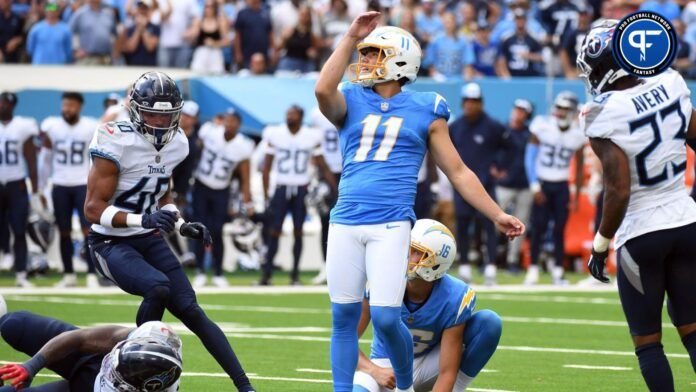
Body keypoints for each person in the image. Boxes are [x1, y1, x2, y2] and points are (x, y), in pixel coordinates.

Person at [314, 13, 524, 392]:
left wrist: (496, 214)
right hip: (345, 218)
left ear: (399, 61)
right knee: (343, 318)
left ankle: (407, 387)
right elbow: (321, 90)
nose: (366, 62)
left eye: (376, 54)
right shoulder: (351, 98)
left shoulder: (427, 106)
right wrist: (349, 36)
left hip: (392, 222)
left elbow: (458, 171)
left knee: (386, 316)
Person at [83, 71, 255, 392]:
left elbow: (163, 193)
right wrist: (142, 221)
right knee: (158, 287)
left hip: (146, 237)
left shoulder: (178, 144)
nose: (160, 123)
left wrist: (180, 223)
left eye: (167, 116)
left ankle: (245, 386)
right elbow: (93, 209)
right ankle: (127, 368)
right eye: (152, 114)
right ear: (135, 110)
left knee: (191, 309)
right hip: (108, 241)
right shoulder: (114, 138)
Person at [580, 20, 696, 392]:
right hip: (686, 220)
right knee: (693, 330)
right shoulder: (673, 82)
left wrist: (600, 244)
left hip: (641, 232)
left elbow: (618, 188)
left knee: (648, 344)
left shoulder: (601, 113)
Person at [353, 219, 501, 392]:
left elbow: (447, 372)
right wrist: (374, 370)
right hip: (386, 366)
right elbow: (345, 338)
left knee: (489, 323)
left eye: (416, 251)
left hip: (429, 365)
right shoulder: (380, 278)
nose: (406, 255)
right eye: (407, 247)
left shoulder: (454, 296)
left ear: (436, 263)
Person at [0, 309, 182, 391]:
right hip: (90, 358)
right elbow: (81, 338)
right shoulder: (152, 333)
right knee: (14, 324)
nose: (109, 371)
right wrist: (31, 367)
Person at [259, 105, 336, 286]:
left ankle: (294, 275)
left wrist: (334, 186)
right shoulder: (275, 133)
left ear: (300, 117)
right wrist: (266, 194)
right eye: (288, 114)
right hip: (281, 186)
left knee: (298, 232)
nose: (289, 117)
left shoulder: (311, 135)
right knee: (275, 231)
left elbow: (322, 164)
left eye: (293, 114)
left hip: (301, 187)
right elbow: (266, 167)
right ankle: (266, 275)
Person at [39, 92, 100, 288]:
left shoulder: (90, 126)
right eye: (65, 105)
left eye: (71, 105)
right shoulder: (52, 126)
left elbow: (97, 158)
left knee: (88, 230)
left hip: (83, 184)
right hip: (60, 184)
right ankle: (68, 274)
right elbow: (45, 159)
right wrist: (41, 187)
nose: (67, 109)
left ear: (80, 107)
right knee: (63, 231)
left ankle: (92, 273)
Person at [524, 91, 585, 285]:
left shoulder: (578, 134)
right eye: (559, 108)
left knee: (560, 229)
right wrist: (534, 186)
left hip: (561, 185)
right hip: (542, 182)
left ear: (573, 112)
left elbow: (580, 167)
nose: (560, 112)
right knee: (538, 227)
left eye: (565, 109)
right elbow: (530, 158)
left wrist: (575, 194)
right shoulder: (542, 126)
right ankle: (533, 269)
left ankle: (558, 270)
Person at [450, 83, 507, 285]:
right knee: (463, 226)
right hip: (462, 187)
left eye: (474, 101)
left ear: (481, 103)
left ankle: (490, 267)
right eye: (467, 101)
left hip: (486, 186)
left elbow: (507, 147)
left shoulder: (493, 126)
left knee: (489, 226)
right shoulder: (455, 127)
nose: (470, 105)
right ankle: (464, 267)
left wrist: (499, 166)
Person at [192, 108, 254, 288]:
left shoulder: (243, 145)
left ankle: (218, 272)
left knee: (217, 231)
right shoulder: (209, 131)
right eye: (226, 119)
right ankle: (200, 271)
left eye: (233, 120)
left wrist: (247, 200)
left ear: (239, 124)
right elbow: (194, 152)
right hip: (201, 185)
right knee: (198, 230)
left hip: (222, 189)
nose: (229, 123)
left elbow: (245, 176)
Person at [0, 92, 41, 288]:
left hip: (16, 183)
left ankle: (21, 274)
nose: (2, 105)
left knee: (19, 229)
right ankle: (6, 253)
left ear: (12, 106)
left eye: (5, 103)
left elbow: (30, 157)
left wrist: (34, 189)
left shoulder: (23, 126)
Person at [495, 99, 534, 273]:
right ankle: (490, 258)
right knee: (494, 220)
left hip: (524, 185)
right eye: (517, 109)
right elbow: (490, 151)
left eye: (522, 110)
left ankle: (512, 260)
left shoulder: (530, 134)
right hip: (504, 184)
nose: (518, 112)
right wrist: (494, 169)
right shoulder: (502, 130)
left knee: (520, 225)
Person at [310, 106, 342, 285]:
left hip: (349, 170)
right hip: (327, 173)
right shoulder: (317, 113)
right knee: (326, 223)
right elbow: (316, 151)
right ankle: (326, 265)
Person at [190, 0, 230, 75]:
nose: (208, 9)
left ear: (215, 8)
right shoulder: (199, 21)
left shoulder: (220, 22)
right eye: (206, 7)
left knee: (217, 74)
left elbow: (227, 41)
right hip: (201, 53)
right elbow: (192, 37)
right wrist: (192, 35)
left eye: (211, 7)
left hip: (215, 53)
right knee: (197, 73)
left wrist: (214, 43)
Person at [120, 0, 160, 66]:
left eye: (145, 9)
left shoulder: (155, 27)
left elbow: (150, 47)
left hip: (150, 67)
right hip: (132, 67)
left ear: (149, 11)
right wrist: (138, 29)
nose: (143, 11)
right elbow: (131, 48)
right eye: (141, 9)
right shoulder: (130, 28)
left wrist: (143, 29)